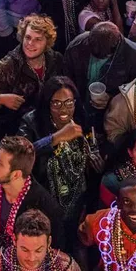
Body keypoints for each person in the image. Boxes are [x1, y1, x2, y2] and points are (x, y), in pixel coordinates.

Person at [17, 76, 94, 230]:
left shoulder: (80, 118)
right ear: (47, 104)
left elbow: (90, 142)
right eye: (56, 104)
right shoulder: (32, 122)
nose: (64, 109)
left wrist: (94, 156)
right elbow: (20, 155)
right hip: (45, 201)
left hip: (78, 201)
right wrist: (55, 138)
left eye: (69, 103)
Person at [63, 21, 136, 104]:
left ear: (116, 46)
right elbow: (67, 77)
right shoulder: (76, 46)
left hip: (112, 112)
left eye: (103, 56)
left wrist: (112, 99)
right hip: (80, 103)